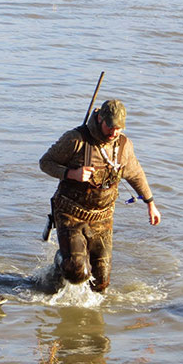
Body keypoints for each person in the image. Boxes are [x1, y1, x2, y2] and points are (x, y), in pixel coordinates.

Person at [39, 99, 161, 293]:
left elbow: (135, 174)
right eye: (110, 127)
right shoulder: (76, 139)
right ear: (99, 118)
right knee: (78, 270)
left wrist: (150, 203)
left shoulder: (123, 146)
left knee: (100, 282)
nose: (113, 133)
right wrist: (72, 173)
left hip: (103, 218)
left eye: (118, 128)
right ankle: (61, 261)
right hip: (71, 214)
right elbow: (45, 162)